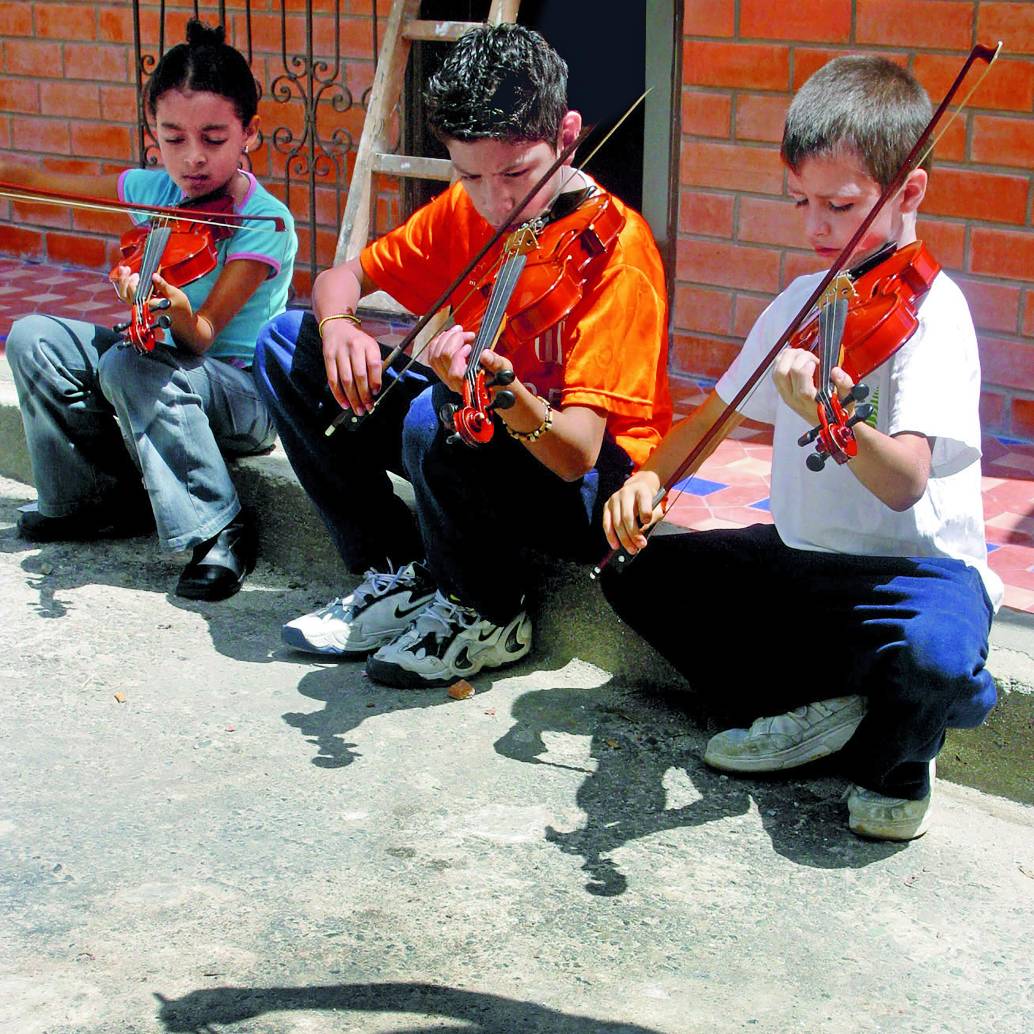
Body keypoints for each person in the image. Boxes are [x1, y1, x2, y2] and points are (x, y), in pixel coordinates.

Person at [599, 55, 1000, 843]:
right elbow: (714, 416)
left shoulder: (934, 316)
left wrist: (830, 413)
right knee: (634, 570)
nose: (815, 227)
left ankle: (897, 762)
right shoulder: (801, 303)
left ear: (908, 192)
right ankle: (810, 711)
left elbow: (903, 482)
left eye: (841, 205)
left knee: (936, 659)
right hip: (807, 562)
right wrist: (650, 475)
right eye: (801, 202)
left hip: (915, 576)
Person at [254, 24, 671, 687]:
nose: (496, 200)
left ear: (567, 135)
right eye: (470, 174)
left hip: (582, 486)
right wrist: (339, 328)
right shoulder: (466, 210)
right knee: (286, 346)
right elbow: (341, 280)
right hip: (475, 434)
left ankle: (489, 611)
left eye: (516, 173)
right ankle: (400, 570)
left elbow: (579, 452)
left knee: (439, 409)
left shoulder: (619, 253)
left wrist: (504, 394)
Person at [4, 19, 296, 601]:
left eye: (214, 139)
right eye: (173, 138)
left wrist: (170, 306)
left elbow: (203, 335)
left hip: (239, 394)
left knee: (129, 365)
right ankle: (92, 501)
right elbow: (51, 178)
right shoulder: (153, 191)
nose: (192, 159)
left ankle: (221, 528)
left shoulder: (265, 223)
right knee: (32, 336)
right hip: (162, 360)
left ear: (249, 134)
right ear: (151, 134)